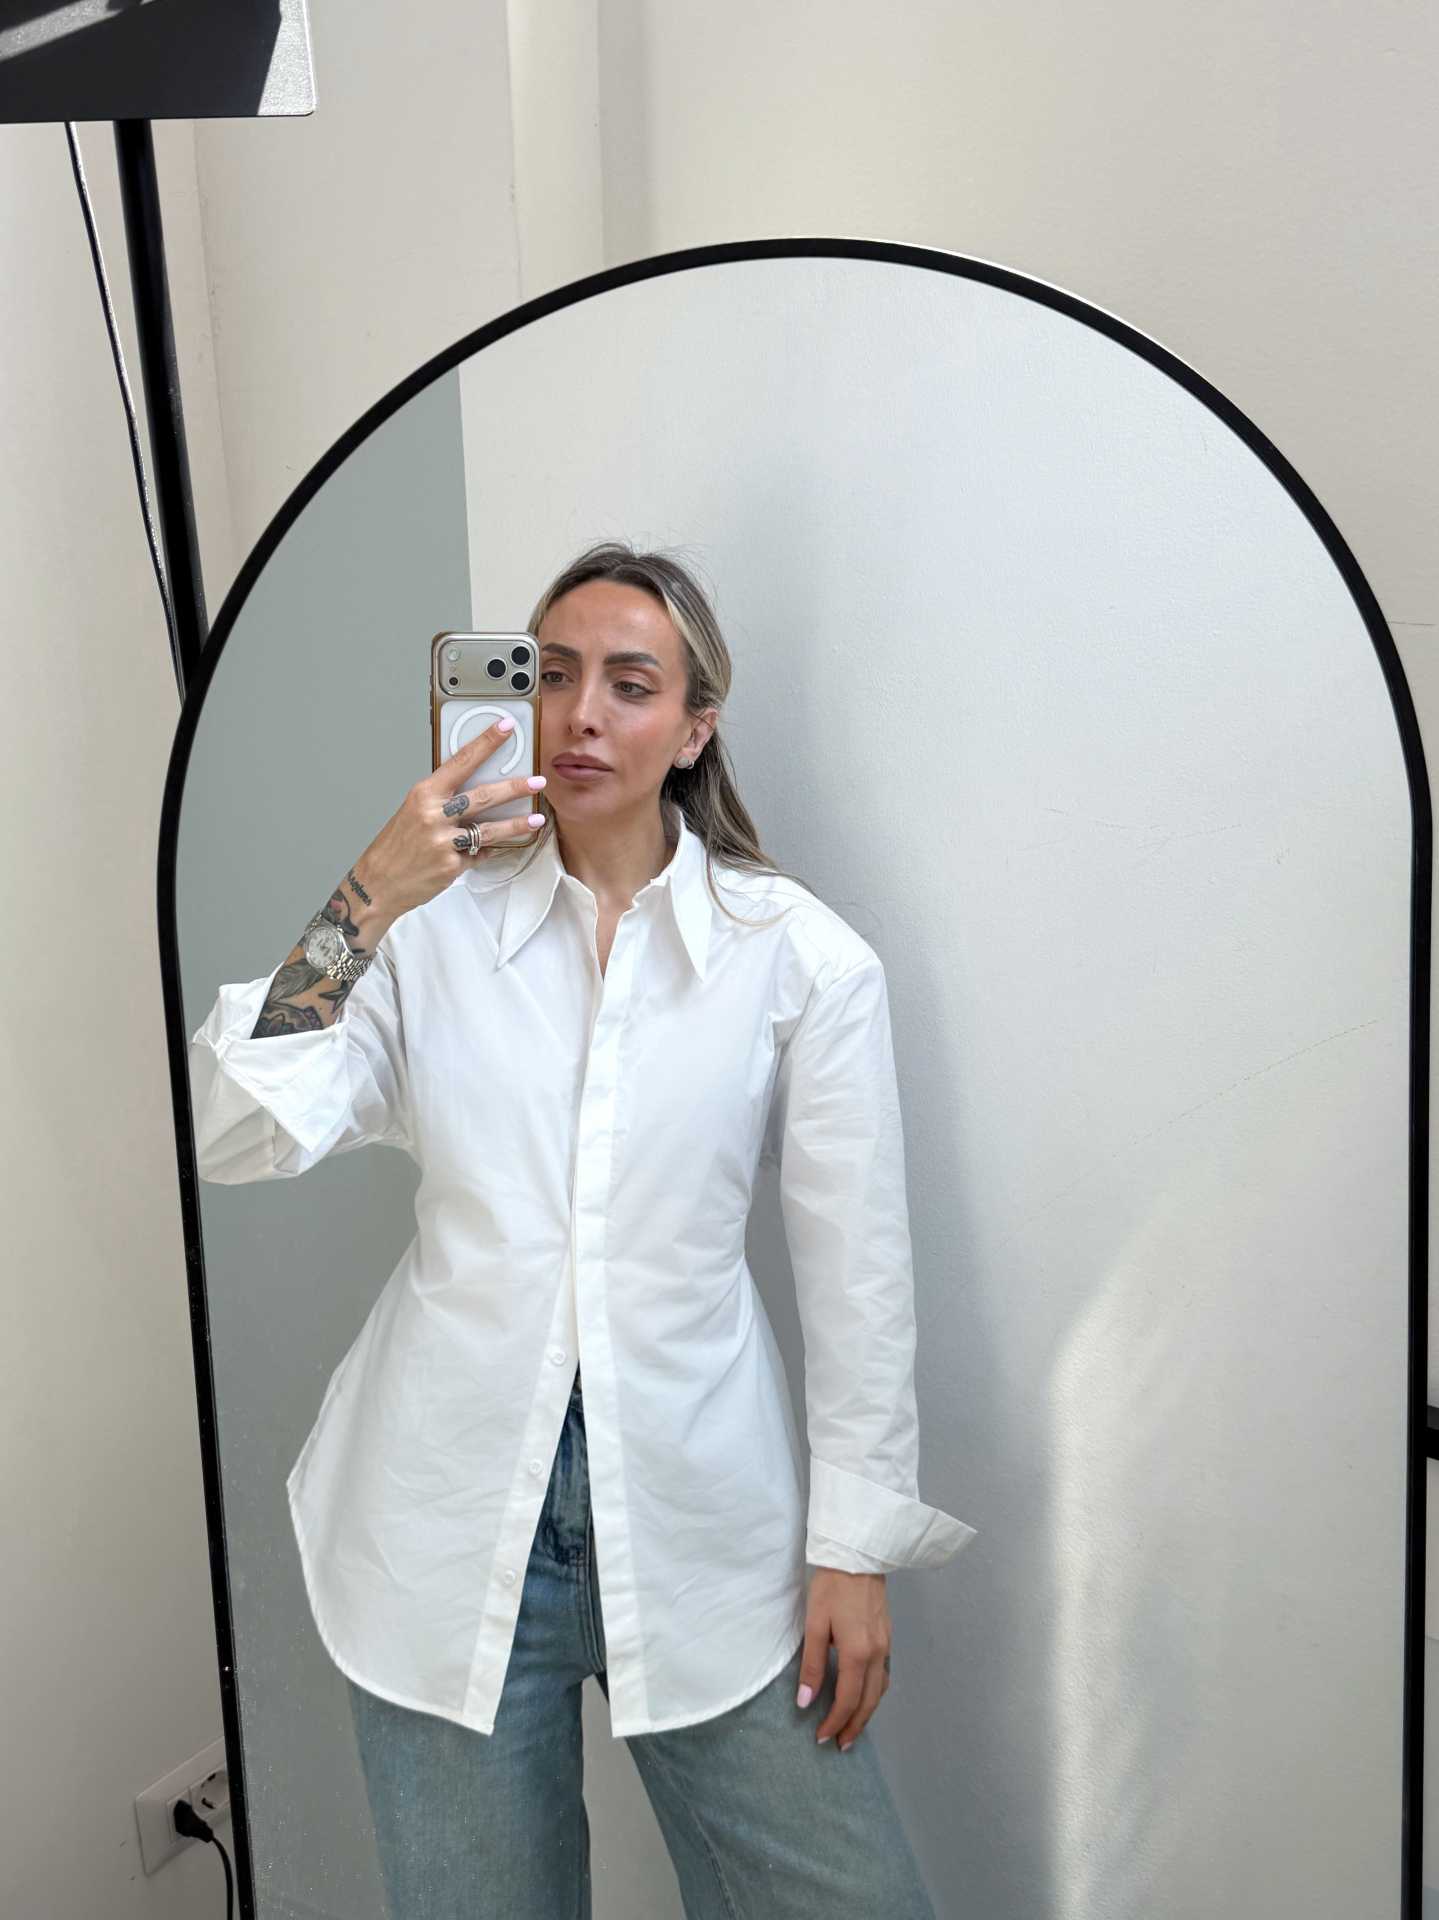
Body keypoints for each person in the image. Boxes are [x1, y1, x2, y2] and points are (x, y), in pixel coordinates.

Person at [190, 543, 973, 1918]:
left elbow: (860, 1278)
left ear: (695, 728)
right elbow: (240, 1128)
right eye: (551, 676)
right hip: (445, 1516)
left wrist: (854, 1547)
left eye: (630, 683)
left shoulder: (798, 959)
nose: (583, 714)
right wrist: (369, 893)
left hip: (705, 1516)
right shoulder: (429, 935)